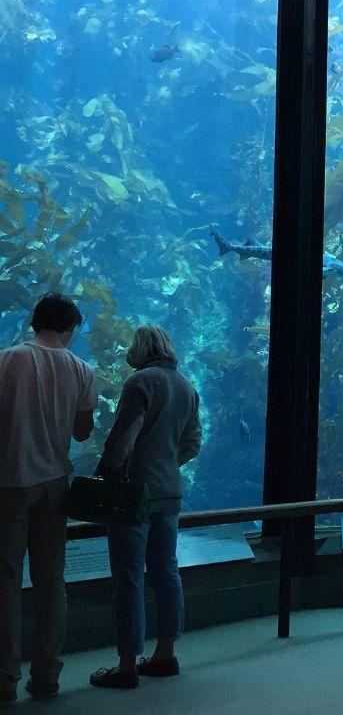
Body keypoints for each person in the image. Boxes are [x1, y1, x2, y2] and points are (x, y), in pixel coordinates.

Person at [89, 325, 201, 690]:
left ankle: (126, 664)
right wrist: (166, 463)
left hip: (133, 492)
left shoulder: (140, 383)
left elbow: (124, 435)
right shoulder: (186, 386)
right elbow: (192, 443)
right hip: (169, 491)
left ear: (140, 349)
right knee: (166, 571)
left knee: (129, 576)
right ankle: (165, 653)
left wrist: (105, 474)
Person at [0, 293, 97, 707]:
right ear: (70, 328)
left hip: (9, 481)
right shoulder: (81, 369)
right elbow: (81, 433)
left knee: (4, 582)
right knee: (50, 583)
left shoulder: (7, 359)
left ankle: (4, 681)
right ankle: (47, 677)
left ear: (34, 322)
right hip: (56, 484)